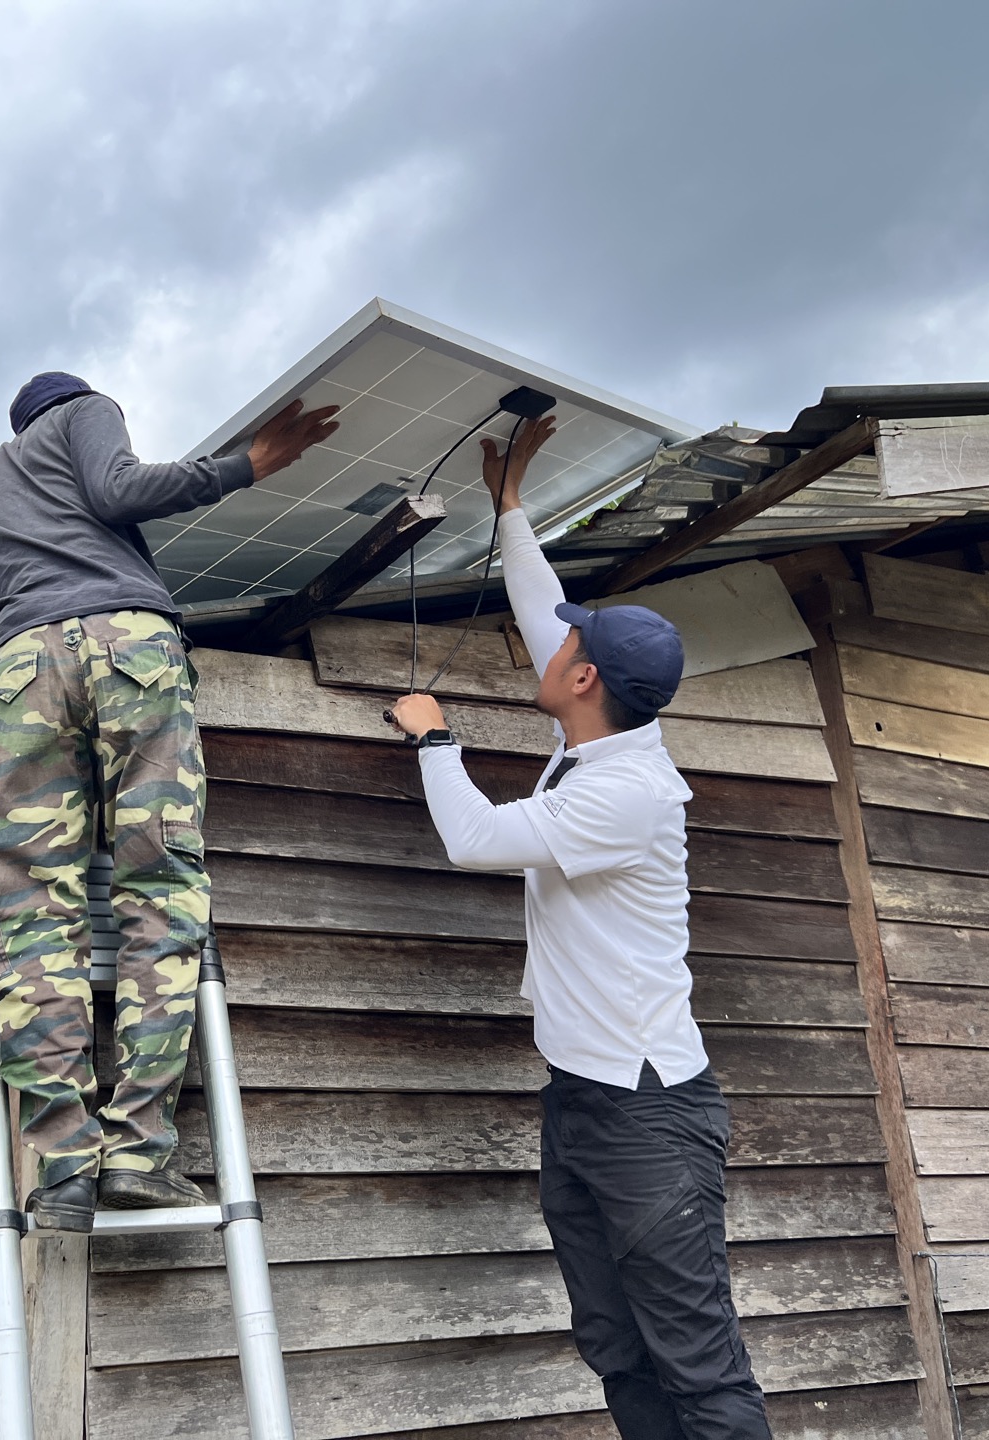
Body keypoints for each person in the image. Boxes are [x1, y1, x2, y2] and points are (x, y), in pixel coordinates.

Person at [387, 416, 770, 1439]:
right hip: (587, 1103)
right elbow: (544, 606)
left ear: (585, 679)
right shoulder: (604, 734)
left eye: (570, 647)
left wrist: (436, 739)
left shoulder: (628, 794)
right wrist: (509, 506)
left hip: (647, 1117)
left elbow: (472, 839)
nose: (552, 643)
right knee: (617, 1344)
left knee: (697, 1362)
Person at [0, 371, 338, 1232]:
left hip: (20, 668)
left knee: (29, 908)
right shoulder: (86, 412)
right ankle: (139, 1148)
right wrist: (249, 465)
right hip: (129, 644)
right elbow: (119, 490)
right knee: (158, 885)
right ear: (65, 407)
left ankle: (67, 1165)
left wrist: (19, 558)